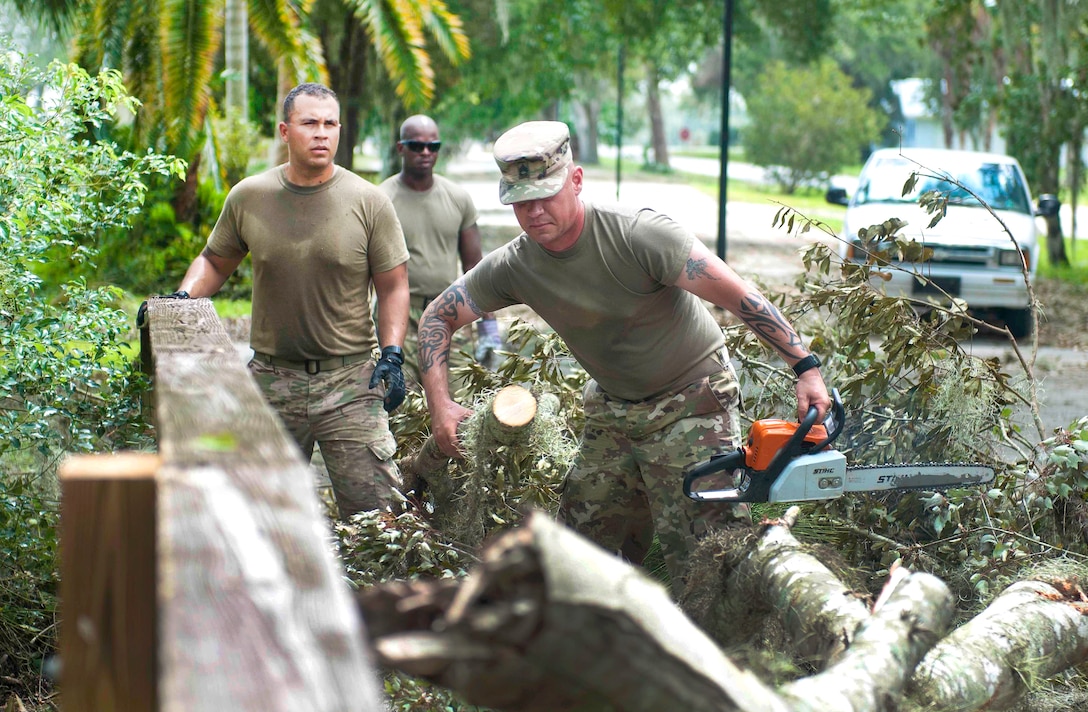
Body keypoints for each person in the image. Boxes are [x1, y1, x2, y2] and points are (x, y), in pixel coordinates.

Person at [417, 120, 830, 591]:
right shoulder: (516, 265)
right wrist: (441, 405)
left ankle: (718, 655)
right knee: (573, 554)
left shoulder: (639, 234)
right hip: (613, 412)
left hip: (691, 404)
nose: (533, 213)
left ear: (576, 181)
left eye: (545, 195)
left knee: (709, 560)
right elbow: (436, 317)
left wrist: (805, 367)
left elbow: (740, 296)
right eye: (519, 202)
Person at [166, 82, 410, 519]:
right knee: (261, 516)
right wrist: (183, 298)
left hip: (350, 382)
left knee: (379, 521)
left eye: (330, 123)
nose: (321, 133)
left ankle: (375, 589)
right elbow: (215, 261)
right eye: (309, 123)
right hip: (272, 380)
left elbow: (393, 285)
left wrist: (392, 354)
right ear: (284, 130)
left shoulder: (369, 202)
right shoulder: (250, 197)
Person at [379, 114, 502, 382]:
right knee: (404, 404)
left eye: (432, 146)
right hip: (402, 316)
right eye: (416, 145)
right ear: (401, 148)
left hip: (449, 311)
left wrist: (488, 327)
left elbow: (474, 266)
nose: (425, 152)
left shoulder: (457, 198)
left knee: (458, 396)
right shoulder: (381, 201)